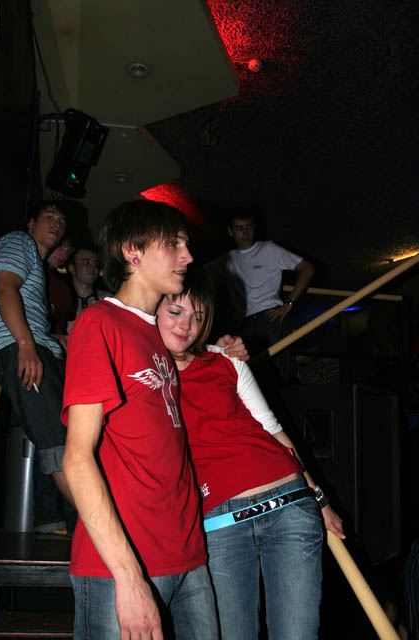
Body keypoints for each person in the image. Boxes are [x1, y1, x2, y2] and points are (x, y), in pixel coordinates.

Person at [156, 268, 345, 640]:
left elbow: (273, 430)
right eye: (176, 312)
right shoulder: (141, 370)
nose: (187, 326)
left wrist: (320, 499)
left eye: (198, 317)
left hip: (290, 504)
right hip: (221, 523)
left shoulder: (225, 359)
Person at [61, 200, 218, 640]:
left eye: (186, 244)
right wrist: (129, 577)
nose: (187, 256)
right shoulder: (100, 322)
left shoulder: (157, 336)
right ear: (132, 251)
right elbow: (76, 458)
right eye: (174, 244)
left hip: (189, 556)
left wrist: (226, 347)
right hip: (125, 565)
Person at [0, 200, 74, 533]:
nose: (57, 223)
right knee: (60, 442)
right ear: (30, 223)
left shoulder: (34, 261)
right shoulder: (18, 241)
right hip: (18, 347)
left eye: (61, 221)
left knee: (59, 438)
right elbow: (5, 288)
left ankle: (54, 524)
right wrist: (25, 344)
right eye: (50, 217)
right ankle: (96, 526)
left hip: (34, 346)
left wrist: (51, 340)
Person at [206, 207, 315, 382]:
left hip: (270, 318)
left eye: (249, 227)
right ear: (231, 231)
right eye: (239, 228)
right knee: (252, 378)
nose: (245, 232)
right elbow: (201, 274)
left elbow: (307, 269)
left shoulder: (268, 249)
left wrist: (289, 303)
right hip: (244, 325)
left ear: (254, 228)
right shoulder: (228, 259)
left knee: (279, 375)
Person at [66, 246, 110, 330]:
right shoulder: (62, 300)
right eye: (86, 262)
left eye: (95, 264)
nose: (92, 267)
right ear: (72, 268)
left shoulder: (107, 300)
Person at [46, 237, 76, 340]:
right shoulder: (29, 273)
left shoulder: (62, 287)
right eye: (60, 247)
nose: (64, 255)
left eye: (68, 252)